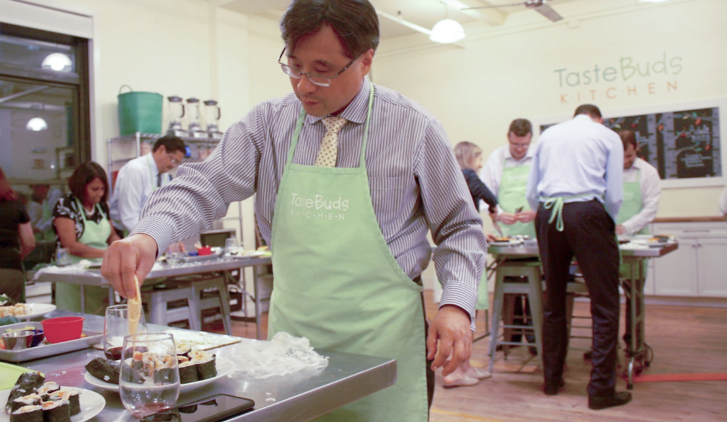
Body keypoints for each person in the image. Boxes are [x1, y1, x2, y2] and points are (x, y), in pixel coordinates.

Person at [102, 1, 486, 420]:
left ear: (365, 60)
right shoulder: (268, 124)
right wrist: (147, 235)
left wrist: (456, 305)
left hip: (384, 341)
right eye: (294, 65)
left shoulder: (413, 128)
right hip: (291, 345)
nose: (303, 85)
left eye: (322, 69)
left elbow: (460, 227)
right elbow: (204, 183)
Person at [527, 104, 629, 410]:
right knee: (605, 303)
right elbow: (613, 194)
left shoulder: (549, 135)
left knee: (554, 300)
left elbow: (532, 191)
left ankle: (551, 381)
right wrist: (604, 222)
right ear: (599, 118)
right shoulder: (607, 135)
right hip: (587, 211)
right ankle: (600, 391)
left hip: (548, 213)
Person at [442, 141, 496, 387]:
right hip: (466, 254)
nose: (481, 162)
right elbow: (489, 196)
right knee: (466, 311)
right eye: (479, 157)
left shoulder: (451, 177)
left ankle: (464, 365)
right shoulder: (468, 175)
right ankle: (454, 370)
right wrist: (496, 209)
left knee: (466, 311)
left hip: (454, 253)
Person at [481, 118, 538, 350]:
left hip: (534, 233)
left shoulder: (538, 157)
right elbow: (484, 195)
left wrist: (536, 213)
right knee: (510, 284)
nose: (520, 150)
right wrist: (499, 213)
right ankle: (511, 336)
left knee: (537, 285)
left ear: (530, 140)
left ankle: (536, 336)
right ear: (508, 138)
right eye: (516, 145)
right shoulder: (497, 158)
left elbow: (548, 195)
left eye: (524, 145)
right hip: (506, 234)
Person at [53, 162, 120, 314]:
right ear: (80, 186)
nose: (100, 194)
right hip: (74, 277)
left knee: (101, 323)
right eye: (95, 189)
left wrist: (119, 246)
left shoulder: (101, 207)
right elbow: (71, 245)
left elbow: (112, 235)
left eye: (103, 189)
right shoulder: (66, 205)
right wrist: (106, 253)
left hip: (100, 274)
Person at [615, 129, 661, 352]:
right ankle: (605, 345)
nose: (625, 161)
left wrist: (627, 227)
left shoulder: (648, 173)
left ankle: (635, 343)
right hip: (609, 244)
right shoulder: (605, 171)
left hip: (636, 243)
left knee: (635, 297)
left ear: (637, 149)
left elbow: (651, 208)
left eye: (629, 156)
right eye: (620, 157)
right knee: (605, 298)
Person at [0, 159, 35, 303]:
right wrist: (17, 254)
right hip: (7, 269)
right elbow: (29, 242)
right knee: (7, 320)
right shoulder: (15, 206)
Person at [110, 136, 186, 234]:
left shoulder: (164, 175)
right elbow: (129, 218)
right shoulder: (136, 170)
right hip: (128, 234)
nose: (173, 165)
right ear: (161, 150)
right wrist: (154, 239)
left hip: (148, 235)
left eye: (177, 163)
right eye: (172, 159)